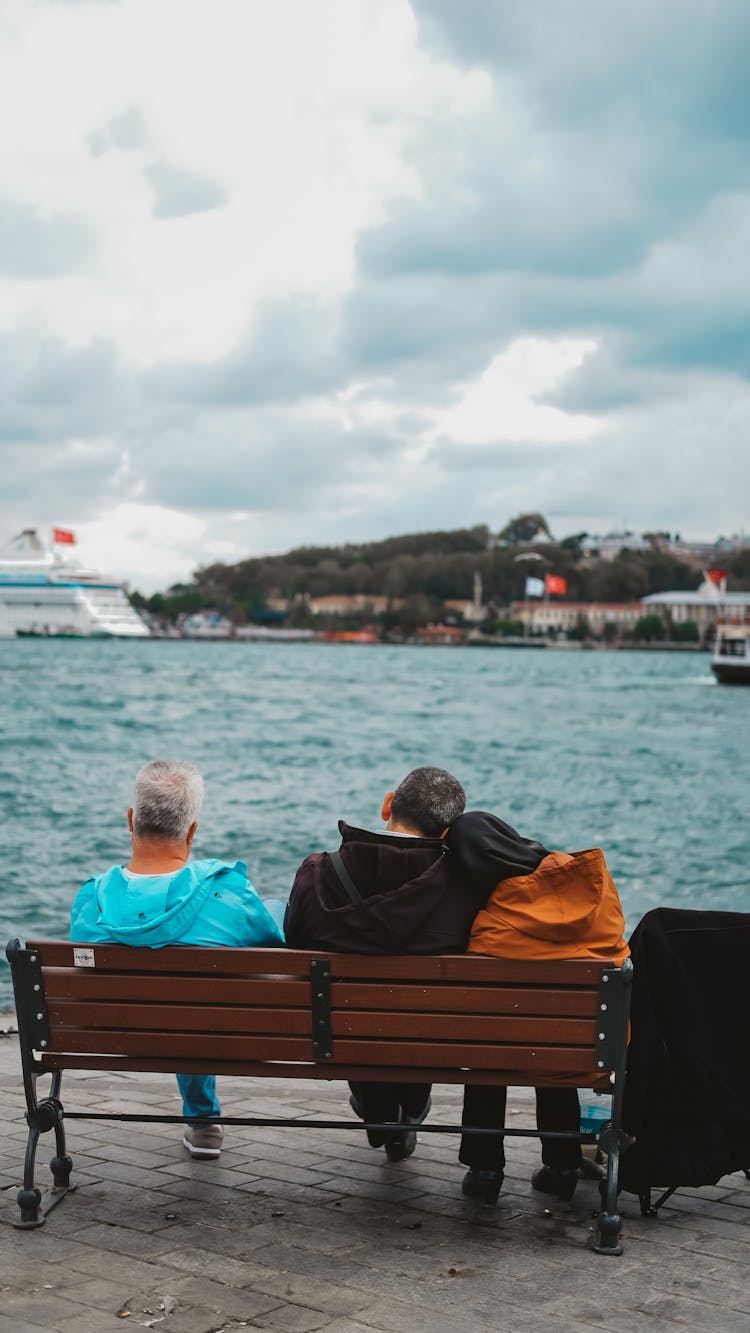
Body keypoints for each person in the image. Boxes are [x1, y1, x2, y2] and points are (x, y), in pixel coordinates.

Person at [70, 759, 284, 1159]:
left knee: (179, 1002)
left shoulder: (91, 900)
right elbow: (276, 946)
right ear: (192, 831)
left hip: (117, 1034)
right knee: (196, 1004)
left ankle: (203, 1120)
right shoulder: (227, 895)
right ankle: (203, 1121)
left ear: (131, 820)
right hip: (207, 1028)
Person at [284, 766, 482, 1161]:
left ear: (388, 804)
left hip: (339, 1030)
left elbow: (294, 939)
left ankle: (377, 1107)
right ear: (447, 832)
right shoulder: (465, 888)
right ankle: (405, 1105)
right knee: (416, 1008)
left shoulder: (317, 871)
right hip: (431, 1033)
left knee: (350, 1004)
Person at [448, 810, 629, 1205]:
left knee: (488, 1049)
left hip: (503, 1046)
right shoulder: (588, 883)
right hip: (585, 1046)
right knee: (555, 1041)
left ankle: (484, 1170)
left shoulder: (492, 920)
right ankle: (563, 1166)